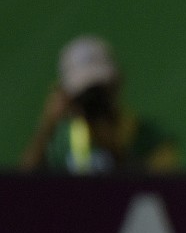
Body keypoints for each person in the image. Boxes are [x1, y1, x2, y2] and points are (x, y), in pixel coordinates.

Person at [19, 35, 177, 174]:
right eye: (83, 93)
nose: (93, 99)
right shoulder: (62, 143)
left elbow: (151, 195)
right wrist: (48, 126)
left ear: (117, 82)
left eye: (99, 89)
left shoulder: (149, 139)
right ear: (66, 96)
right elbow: (21, 192)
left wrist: (109, 144)